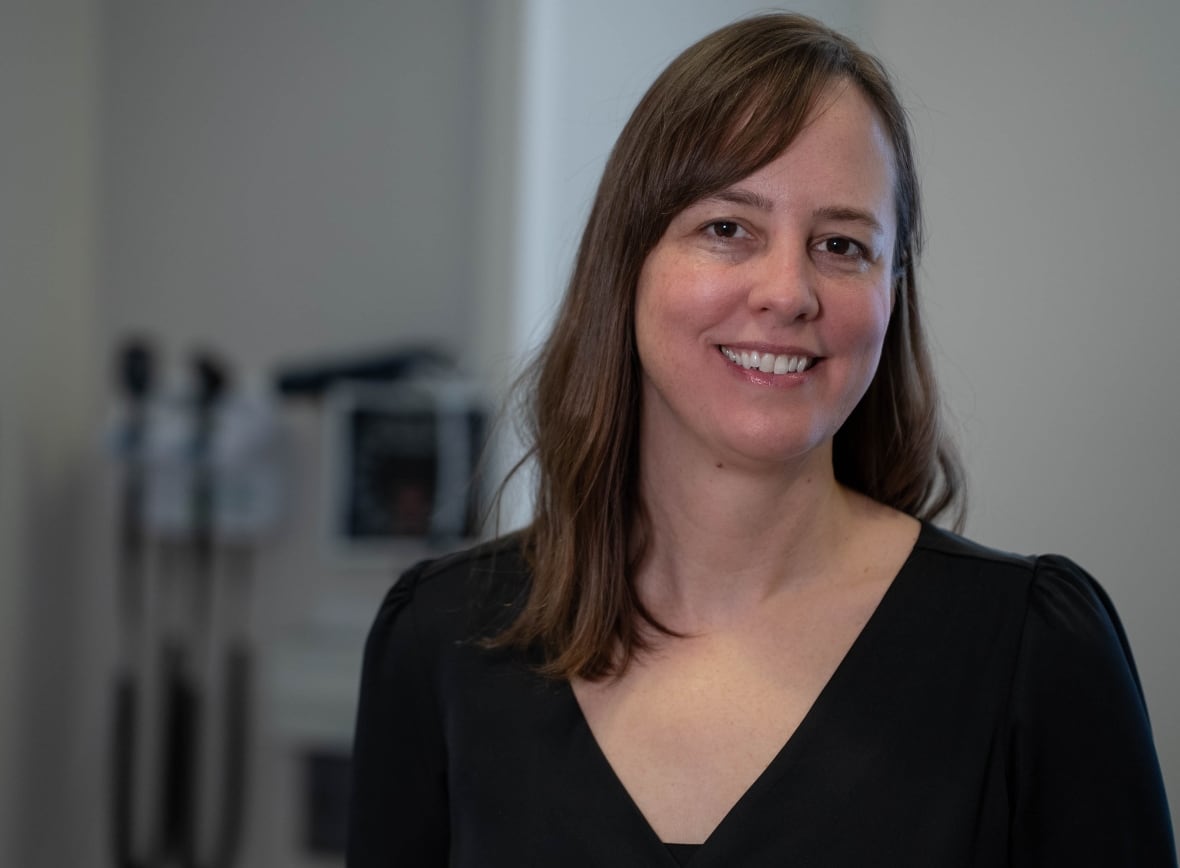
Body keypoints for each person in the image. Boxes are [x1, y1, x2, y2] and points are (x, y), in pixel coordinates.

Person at [347, 12, 1176, 867]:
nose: (788, 292)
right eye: (727, 228)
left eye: (841, 244)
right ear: (626, 263)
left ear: (892, 296)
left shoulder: (1034, 652)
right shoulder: (441, 639)